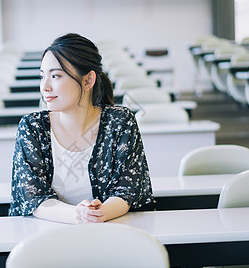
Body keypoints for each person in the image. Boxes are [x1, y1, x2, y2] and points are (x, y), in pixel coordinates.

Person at [9, 33, 153, 224]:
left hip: (111, 234)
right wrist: (79, 215)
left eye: (56, 76)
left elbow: (128, 188)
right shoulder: (32, 127)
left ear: (88, 81)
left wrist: (102, 212)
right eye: (42, 76)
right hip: (44, 239)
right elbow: (33, 198)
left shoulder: (120, 122)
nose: (45, 86)